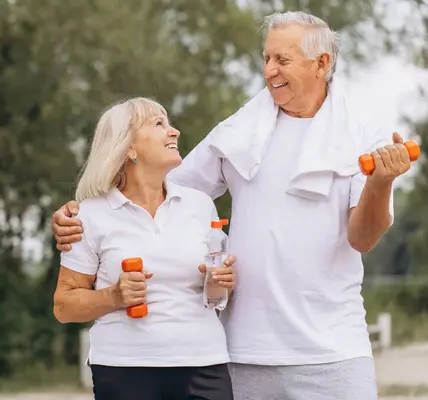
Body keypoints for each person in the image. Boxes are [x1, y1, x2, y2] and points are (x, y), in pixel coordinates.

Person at [52, 11, 415, 400]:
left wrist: (380, 181)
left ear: (321, 64)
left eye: (282, 59)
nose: (268, 71)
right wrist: (79, 213)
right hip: (242, 351)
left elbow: (362, 238)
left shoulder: (363, 135)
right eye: (266, 58)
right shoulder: (238, 132)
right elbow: (154, 190)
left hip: (334, 350)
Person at [52, 97, 236, 400]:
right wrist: (114, 295)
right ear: (130, 148)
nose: (174, 131)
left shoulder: (200, 206)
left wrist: (221, 284)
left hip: (204, 364)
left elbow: (216, 297)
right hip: (125, 369)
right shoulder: (88, 215)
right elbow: (63, 306)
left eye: (169, 122)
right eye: (159, 124)